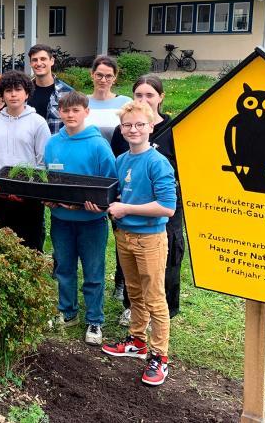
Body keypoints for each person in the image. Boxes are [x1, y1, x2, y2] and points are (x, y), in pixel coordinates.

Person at [100, 101, 176, 387]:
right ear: (122, 129)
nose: (133, 130)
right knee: (134, 292)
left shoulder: (158, 162)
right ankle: (137, 341)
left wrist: (127, 209)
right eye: (128, 125)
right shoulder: (121, 161)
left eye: (139, 125)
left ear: (151, 127)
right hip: (124, 236)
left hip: (150, 239)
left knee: (154, 296)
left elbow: (167, 207)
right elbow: (114, 196)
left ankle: (160, 356)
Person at [111, 74, 185, 324]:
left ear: (160, 98)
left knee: (167, 259)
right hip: (128, 211)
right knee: (131, 262)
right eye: (139, 95)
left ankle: (164, 311)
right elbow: (118, 171)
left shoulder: (175, 130)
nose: (144, 99)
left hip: (163, 206)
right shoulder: (124, 132)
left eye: (149, 95)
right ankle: (132, 308)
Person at [44, 91, 116, 346]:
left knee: (93, 271)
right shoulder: (52, 143)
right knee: (64, 267)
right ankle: (68, 311)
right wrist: (48, 198)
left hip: (91, 222)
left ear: (86, 112)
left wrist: (101, 206)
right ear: (59, 113)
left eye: (76, 110)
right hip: (61, 219)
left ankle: (94, 319)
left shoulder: (98, 144)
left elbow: (110, 184)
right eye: (65, 111)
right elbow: (49, 179)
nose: (70, 115)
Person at [0, 70, 50, 251]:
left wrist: (26, 187)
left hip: (29, 196)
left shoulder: (38, 122)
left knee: (30, 244)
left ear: (27, 93)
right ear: (2, 94)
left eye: (18, 89)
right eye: (8, 90)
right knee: (1, 244)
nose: (13, 94)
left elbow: (43, 162)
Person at [26, 44, 74, 135]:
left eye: (43, 59)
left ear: (52, 61)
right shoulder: (24, 91)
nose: (39, 63)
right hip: (28, 147)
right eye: (34, 60)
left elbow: (75, 126)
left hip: (56, 147)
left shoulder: (67, 93)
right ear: (30, 63)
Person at [86, 55, 132, 143]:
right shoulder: (81, 102)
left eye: (109, 76)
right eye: (99, 75)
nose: (103, 80)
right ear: (92, 74)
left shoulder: (126, 103)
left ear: (114, 78)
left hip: (117, 155)